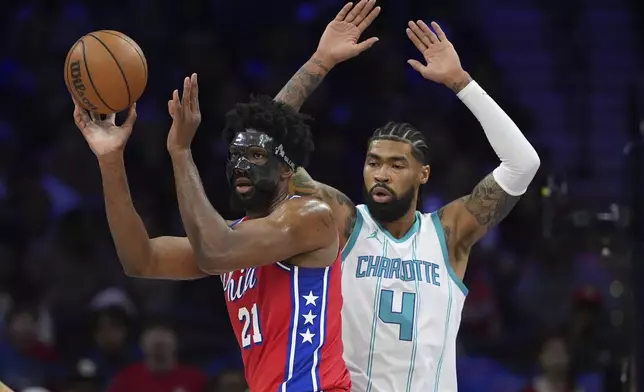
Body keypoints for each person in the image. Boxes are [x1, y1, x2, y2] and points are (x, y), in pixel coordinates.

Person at [275, 8, 540, 392]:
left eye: (397, 165)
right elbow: (265, 147)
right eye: (373, 163)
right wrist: (320, 61)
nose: (381, 174)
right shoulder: (343, 221)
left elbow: (523, 163)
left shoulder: (449, 234)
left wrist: (461, 82)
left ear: (423, 175)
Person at [71, 82, 352, 391]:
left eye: (256, 155)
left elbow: (216, 250)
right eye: (235, 155)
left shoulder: (310, 216)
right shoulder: (234, 236)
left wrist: (180, 152)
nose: (241, 165)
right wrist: (110, 159)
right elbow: (141, 259)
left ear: (287, 169)